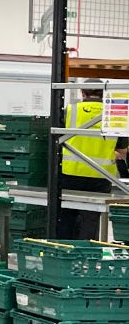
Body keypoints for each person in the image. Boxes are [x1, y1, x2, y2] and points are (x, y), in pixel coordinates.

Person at [58, 88, 128, 240]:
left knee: (66, 217)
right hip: (100, 175)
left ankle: (62, 251)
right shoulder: (114, 115)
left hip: (71, 173)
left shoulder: (70, 110)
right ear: (104, 94)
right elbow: (122, 151)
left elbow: (56, 140)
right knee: (91, 220)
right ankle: (86, 255)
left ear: (82, 93)